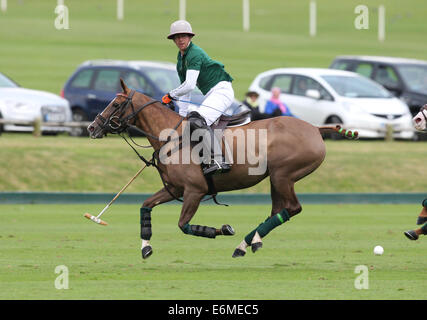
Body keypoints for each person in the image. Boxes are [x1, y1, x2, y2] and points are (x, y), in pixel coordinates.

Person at [161, 20, 233, 176]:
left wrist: (170, 95)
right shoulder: (181, 60)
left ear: (190, 37)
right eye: (177, 37)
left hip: (222, 91)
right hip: (212, 93)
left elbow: (189, 86)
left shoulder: (194, 54)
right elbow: (185, 93)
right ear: (173, 40)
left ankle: (218, 160)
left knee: (197, 121)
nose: (180, 40)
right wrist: (181, 116)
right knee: (190, 121)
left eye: (184, 36)